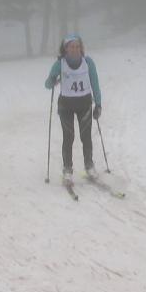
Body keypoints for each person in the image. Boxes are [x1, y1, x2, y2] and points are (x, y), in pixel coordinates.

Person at [44, 35, 102, 186]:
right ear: (65, 49)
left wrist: (99, 104)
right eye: (71, 47)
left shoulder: (88, 62)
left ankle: (89, 166)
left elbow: (94, 82)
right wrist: (52, 80)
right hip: (66, 106)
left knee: (86, 137)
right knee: (68, 137)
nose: (75, 49)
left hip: (84, 104)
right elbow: (48, 84)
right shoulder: (60, 64)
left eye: (77, 46)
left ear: (81, 48)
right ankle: (67, 170)